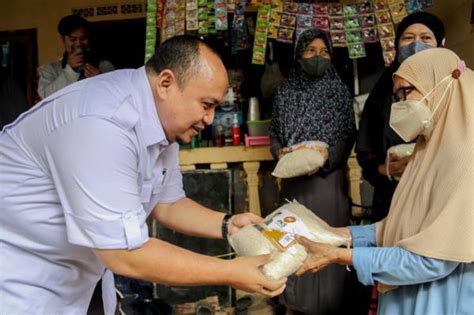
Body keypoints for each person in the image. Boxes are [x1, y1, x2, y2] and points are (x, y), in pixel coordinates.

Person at [0, 35, 286, 315]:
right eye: (206, 105)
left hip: (82, 277)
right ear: (165, 83)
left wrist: (228, 225)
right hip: (24, 281)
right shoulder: (101, 123)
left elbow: (168, 203)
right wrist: (231, 271)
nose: (211, 119)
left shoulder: (160, 119)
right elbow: (125, 254)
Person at [295, 48, 474, 315]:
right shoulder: (428, 149)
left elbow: (432, 260)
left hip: (438, 301)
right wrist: (334, 234)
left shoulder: (465, 162)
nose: (401, 103)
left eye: (407, 92)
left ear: (442, 87)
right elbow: (400, 227)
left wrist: (340, 255)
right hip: (409, 294)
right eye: (397, 95)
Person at [269, 28, 356, 314]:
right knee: (293, 243)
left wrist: (327, 158)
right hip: (293, 185)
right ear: (299, 54)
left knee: (326, 241)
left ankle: (330, 306)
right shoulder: (285, 93)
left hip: (327, 184)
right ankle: (295, 305)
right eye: (311, 51)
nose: (318, 57)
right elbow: (275, 136)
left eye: (324, 52)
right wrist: (281, 153)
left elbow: (347, 134)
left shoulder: (339, 91)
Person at [355, 12, 445, 222]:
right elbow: (366, 150)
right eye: (408, 38)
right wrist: (385, 169)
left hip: (442, 200)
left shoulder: (454, 86)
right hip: (393, 199)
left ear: (441, 45)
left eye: (425, 38)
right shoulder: (383, 92)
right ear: (397, 45)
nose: (416, 44)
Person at [37, 14, 115, 99]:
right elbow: (45, 98)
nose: (78, 44)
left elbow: (118, 93)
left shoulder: (105, 66)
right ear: (63, 40)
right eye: (72, 39)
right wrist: (71, 70)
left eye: (83, 38)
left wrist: (100, 79)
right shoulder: (50, 70)